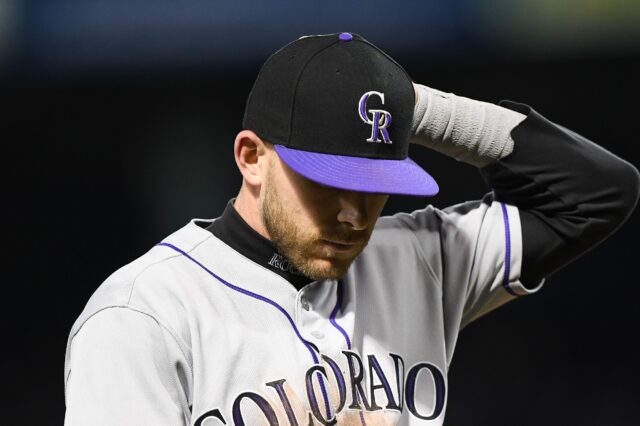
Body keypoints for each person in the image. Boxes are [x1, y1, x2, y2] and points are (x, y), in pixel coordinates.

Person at [63, 32, 639, 425]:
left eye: (373, 185)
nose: (353, 213)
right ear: (251, 157)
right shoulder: (143, 315)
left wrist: (414, 108)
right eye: (328, 181)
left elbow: (595, 193)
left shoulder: (418, 258)